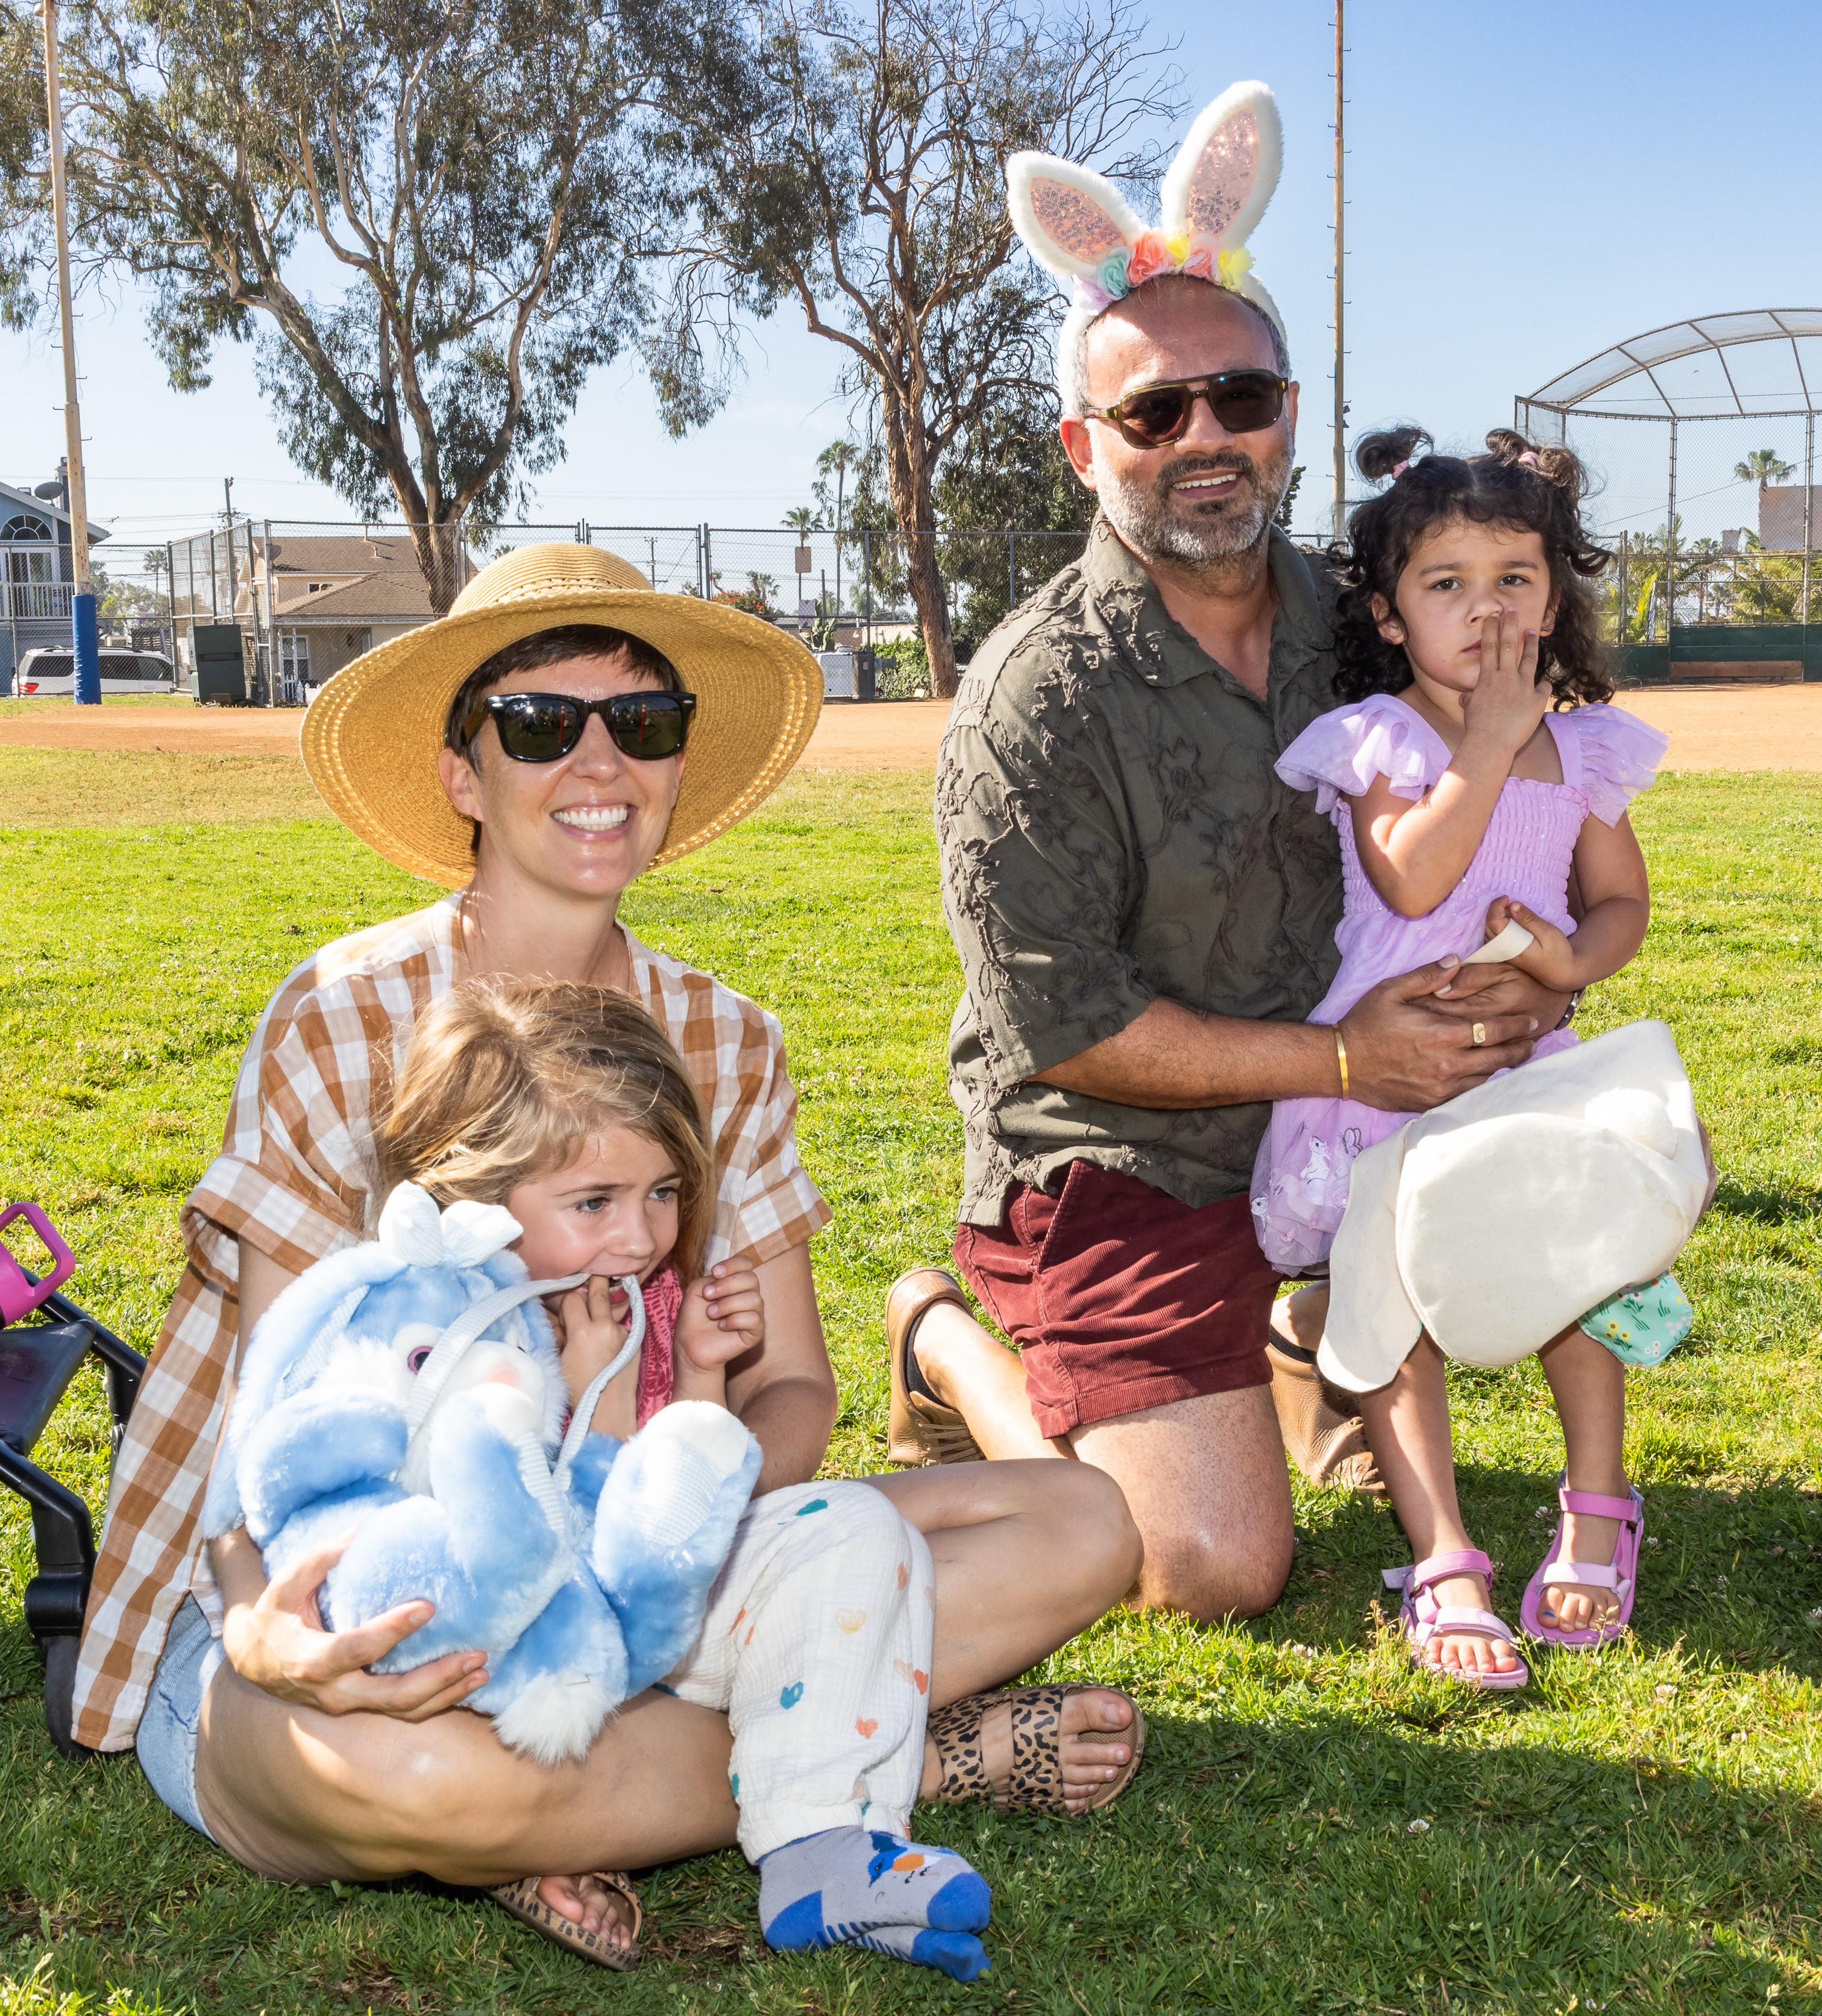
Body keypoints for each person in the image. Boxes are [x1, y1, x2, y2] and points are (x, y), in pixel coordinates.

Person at [85, 541, 1143, 1968]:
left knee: (1085, 1525)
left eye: (642, 723)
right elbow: (268, 1433)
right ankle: (897, 1752)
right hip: (333, 1600)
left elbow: (795, 1393)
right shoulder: (339, 1014)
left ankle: (626, 1786)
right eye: (540, 723)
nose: (600, 760)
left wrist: (669, 1503)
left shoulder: (727, 1037)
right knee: (417, 1774)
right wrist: (267, 1637)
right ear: (465, 772)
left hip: (632, 1561)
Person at [885, 82, 1576, 1616]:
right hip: (1126, 1152)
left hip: (1340, 1118)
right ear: (1086, 446)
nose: (1206, 438)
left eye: (1240, 399)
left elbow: (1487, 821)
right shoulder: (1031, 698)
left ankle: (1289, 1334)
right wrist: (1341, 1067)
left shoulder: (1373, 615)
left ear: (1287, 414)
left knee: (1608, 1179)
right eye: (1153, 412)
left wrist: (1526, 978)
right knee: (1206, 1562)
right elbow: (1066, 1029)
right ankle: (946, 1337)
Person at [236, 976, 995, 1979]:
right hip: (511, 1637)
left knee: (856, 1525)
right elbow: (539, 1519)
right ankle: (552, 1836)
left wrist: (697, 1369)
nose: (639, 1236)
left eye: (664, 1194)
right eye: (596, 1201)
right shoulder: (439, 1323)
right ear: (473, 1200)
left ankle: (820, 1847)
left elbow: (679, 1498)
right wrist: (589, 1387)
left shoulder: (640, 1287)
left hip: (644, 1613)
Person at [1252, 425, 1669, 1685]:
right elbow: (1415, 868)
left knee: (1580, 1272)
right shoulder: (1381, 739)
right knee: (1395, 1305)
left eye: (1514, 580)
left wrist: (1564, 967)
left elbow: (1621, 907)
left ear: (1555, 597)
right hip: (1389, 1087)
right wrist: (1487, 739)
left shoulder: (1585, 748)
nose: (1484, 612)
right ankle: (1441, 1547)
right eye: (1447, 585)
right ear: (1387, 613)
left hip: (1528, 1068)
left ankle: (1598, 1502)